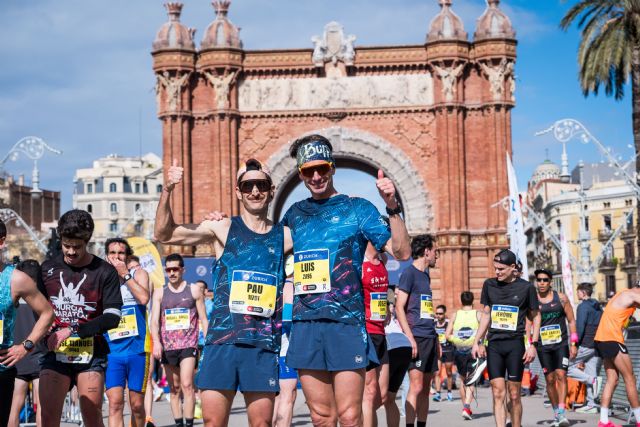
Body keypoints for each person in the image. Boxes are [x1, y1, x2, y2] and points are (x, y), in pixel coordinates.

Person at [281, 135, 411, 426]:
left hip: (347, 324)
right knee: (321, 417)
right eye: (308, 171)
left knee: (351, 417)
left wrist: (392, 207)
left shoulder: (359, 209)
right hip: (306, 325)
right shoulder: (294, 215)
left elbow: (401, 252)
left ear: (332, 167)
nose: (316, 176)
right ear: (300, 173)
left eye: (322, 169)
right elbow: (267, 247)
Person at [155, 158, 291, 427]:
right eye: (248, 185)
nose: (255, 191)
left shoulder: (285, 235)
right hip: (222, 343)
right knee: (213, 423)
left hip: (261, 344)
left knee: (262, 424)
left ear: (271, 190)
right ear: (238, 192)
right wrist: (168, 189)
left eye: (261, 185)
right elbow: (164, 234)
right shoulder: (223, 228)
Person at [39, 209, 123, 427]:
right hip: (55, 352)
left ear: (87, 241)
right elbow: (38, 310)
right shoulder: (47, 268)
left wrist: (73, 329)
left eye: (77, 246)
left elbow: (113, 317)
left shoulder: (104, 271)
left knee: (92, 415)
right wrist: (45, 333)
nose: (71, 251)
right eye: (66, 245)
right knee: (47, 418)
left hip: (91, 354)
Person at [471, 249, 541, 427]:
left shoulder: (527, 288)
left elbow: (536, 316)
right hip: (494, 344)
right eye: (495, 268)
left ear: (512, 267)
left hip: (515, 344)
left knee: (515, 393)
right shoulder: (489, 285)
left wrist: (533, 344)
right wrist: (477, 341)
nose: (497, 272)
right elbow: (486, 315)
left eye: (501, 269)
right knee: (498, 392)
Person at [150, 253, 208, 427]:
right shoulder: (160, 292)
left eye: (175, 269)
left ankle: (189, 423)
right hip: (168, 347)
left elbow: (203, 318)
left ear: (183, 269)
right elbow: (154, 321)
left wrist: (209, 341)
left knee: (187, 384)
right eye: (169, 269)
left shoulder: (194, 290)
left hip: (188, 345)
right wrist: (157, 342)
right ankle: (179, 423)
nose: (172, 273)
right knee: (174, 389)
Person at [104, 238, 152, 427]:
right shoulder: (102, 280)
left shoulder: (138, 274)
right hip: (111, 351)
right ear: (107, 256)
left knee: (137, 405)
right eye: (112, 253)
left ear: (127, 255)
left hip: (137, 349)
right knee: (115, 404)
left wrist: (125, 275)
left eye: (121, 253)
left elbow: (143, 298)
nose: (116, 256)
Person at [395, 234, 440, 427]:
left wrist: (436, 338)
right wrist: (410, 338)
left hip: (430, 336)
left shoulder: (425, 275)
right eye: (435, 251)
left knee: (426, 387)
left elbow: (425, 310)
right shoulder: (409, 273)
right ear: (426, 251)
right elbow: (399, 307)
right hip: (417, 337)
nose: (437, 255)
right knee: (416, 385)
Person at [533, 268, 577, 427]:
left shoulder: (562, 298)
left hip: (560, 344)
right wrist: (529, 344)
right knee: (550, 380)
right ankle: (556, 413)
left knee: (561, 375)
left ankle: (562, 412)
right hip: (543, 347)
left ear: (550, 282)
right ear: (536, 282)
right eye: (539, 280)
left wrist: (574, 343)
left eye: (545, 280)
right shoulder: (533, 301)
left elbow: (571, 321)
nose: (542, 283)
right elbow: (528, 323)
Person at [8, 259, 49, 427]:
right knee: (42, 408)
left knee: (13, 409)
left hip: (16, 358)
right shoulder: (41, 300)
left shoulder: (11, 298)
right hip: (38, 356)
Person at [593, 286, 640, 427]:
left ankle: (603, 420)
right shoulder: (633, 295)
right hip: (612, 338)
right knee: (630, 378)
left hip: (601, 338)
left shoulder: (624, 293)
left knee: (612, 380)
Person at [362, 242, 391, 427]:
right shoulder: (358, 262)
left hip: (381, 331)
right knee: (370, 392)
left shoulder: (383, 259)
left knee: (382, 395)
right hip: (365, 331)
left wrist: (386, 306)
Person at [445, 291, 481, 420]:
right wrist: (478, 342)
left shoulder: (455, 315)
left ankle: (466, 408)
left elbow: (447, 335)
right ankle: (466, 407)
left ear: (461, 301)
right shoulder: (478, 314)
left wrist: (458, 340)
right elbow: (485, 332)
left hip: (459, 350)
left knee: (462, 380)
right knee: (471, 379)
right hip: (473, 350)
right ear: (473, 301)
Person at [568, 282, 603, 414]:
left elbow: (580, 328)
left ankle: (592, 381)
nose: (577, 295)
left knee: (566, 367)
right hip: (597, 345)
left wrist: (574, 345)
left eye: (578, 292)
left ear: (583, 292)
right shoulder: (598, 307)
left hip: (585, 344)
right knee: (590, 371)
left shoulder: (583, 307)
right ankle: (591, 404)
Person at [273, 259, 297, 427]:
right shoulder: (289, 284)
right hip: (285, 348)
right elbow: (288, 320)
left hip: (272, 346)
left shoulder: (276, 283)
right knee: (287, 396)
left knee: (278, 396)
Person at [383, 289, 412, 427]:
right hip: (405, 345)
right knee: (390, 398)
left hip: (391, 345)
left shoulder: (378, 310)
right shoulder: (391, 311)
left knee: (370, 400)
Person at [433, 304, 454, 403]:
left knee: (449, 373)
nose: (438, 315)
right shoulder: (433, 323)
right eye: (437, 313)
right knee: (437, 372)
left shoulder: (449, 323)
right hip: (438, 351)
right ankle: (438, 393)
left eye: (440, 314)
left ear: (444, 314)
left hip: (448, 350)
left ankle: (449, 392)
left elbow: (453, 335)